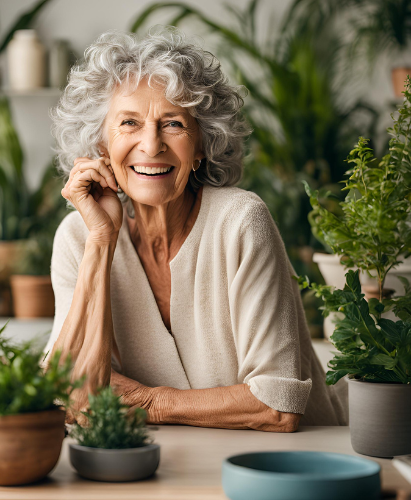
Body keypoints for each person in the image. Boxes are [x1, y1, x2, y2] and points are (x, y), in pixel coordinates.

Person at [45, 28, 347, 431]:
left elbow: (277, 403)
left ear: (202, 144)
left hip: (295, 461)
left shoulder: (240, 221)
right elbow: (64, 390)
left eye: (172, 124)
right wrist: (102, 242)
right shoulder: (78, 236)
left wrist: (148, 401)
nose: (151, 146)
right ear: (101, 146)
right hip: (161, 465)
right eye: (129, 123)